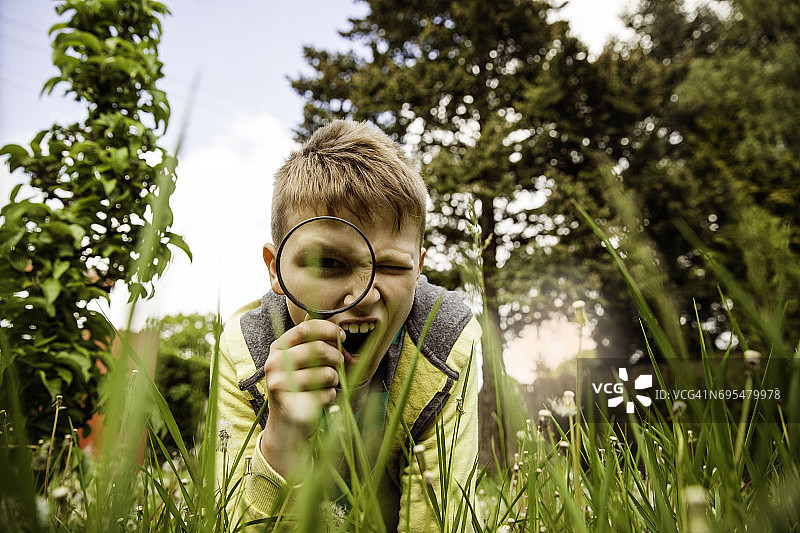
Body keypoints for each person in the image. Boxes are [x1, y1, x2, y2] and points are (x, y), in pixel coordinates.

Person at [215, 120, 481, 531]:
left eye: (391, 266)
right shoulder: (244, 350)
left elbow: (442, 521)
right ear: (275, 269)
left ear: (419, 270)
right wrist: (281, 438)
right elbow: (231, 522)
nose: (364, 295)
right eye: (328, 263)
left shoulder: (446, 343)